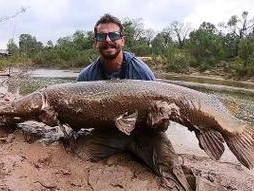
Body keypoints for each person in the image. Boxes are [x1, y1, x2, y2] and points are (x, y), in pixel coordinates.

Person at [72, 14, 195, 191]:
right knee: (77, 154)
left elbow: (161, 125)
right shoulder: (85, 77)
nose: (108, 40)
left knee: (171, 170)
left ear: (122, 40)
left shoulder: (141, 71)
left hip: (145, 133)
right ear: (96, 42)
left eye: (113, 35)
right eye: (101, 37)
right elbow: (78, 117)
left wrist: (160, 121)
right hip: (108, 133)